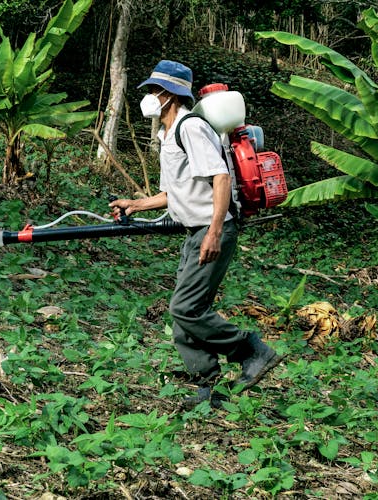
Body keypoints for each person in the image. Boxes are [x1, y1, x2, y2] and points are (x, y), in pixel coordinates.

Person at [109, 60, 282, 408]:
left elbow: (221, 178)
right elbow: (174, 192)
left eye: (154, 91)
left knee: (185, 307)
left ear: (171, 95)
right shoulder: (166, 133)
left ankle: (252, 349)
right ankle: (208, 389)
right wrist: (135, 204)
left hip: (213, 228)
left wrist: (214, 232)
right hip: (194, 231)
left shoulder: (191, 128)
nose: (148, 97)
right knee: (185, 315)